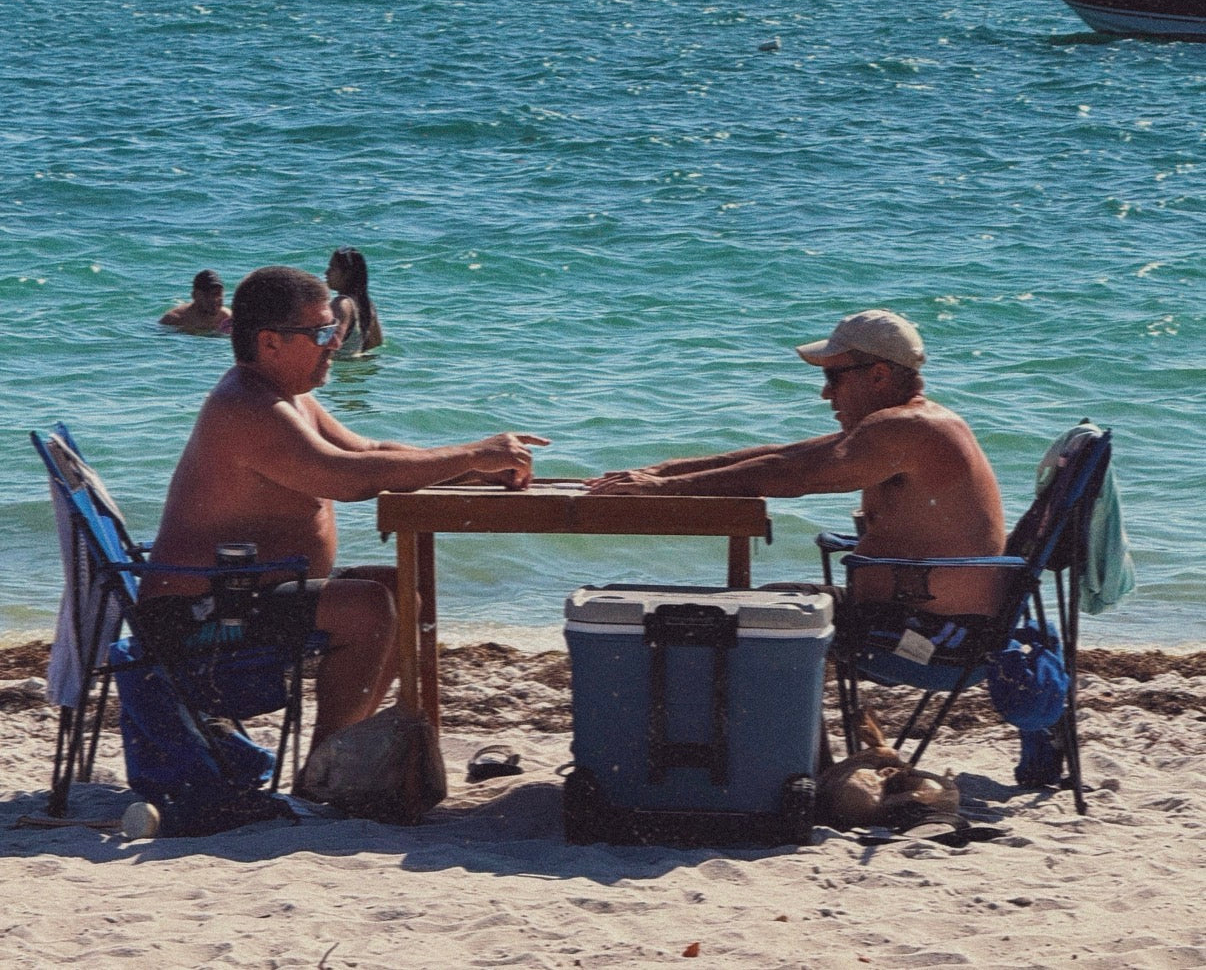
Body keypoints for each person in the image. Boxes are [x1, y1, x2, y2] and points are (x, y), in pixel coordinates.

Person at [142, 265, 549, 760]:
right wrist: (471, 455)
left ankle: (339, 752)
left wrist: (473, 471)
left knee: (403, 591)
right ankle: (325, 767)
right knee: (368, 607)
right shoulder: (246, 406)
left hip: (245, 593)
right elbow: (346, 478)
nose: (335, 342)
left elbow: (370, 449)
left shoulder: (289, 399)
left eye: (332, 329)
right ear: (270, 343)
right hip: (197, 614)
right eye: (319, 332)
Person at [588, 309, 1007, 617]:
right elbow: (787, 454)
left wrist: (665, 490)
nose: (826, 394)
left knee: (737, 620)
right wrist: (665, 471)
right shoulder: (903, 425)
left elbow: (792, 476)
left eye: (833, 377)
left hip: (933, 626)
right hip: (911, 610)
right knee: (748, 613)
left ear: (879, 376)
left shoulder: (911, 427)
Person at [325, 246, 383, 357]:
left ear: (347, 274)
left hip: (338, 369)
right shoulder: (366, 303)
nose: (326, 272)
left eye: (332, 267)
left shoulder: (342, 304)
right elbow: (376, 341)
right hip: (353, 370)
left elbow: (331, 343)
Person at [159, 270, 233, 336]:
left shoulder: (227, 317)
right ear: (194, 295)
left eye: (218, 294)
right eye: (207, 295)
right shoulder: (175, 319)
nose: (214, 299)